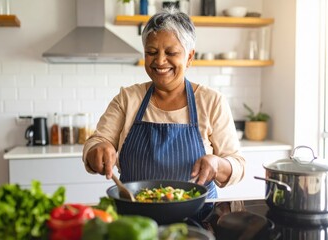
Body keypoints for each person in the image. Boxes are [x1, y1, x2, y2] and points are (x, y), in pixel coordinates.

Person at [82, 7, 245, 223]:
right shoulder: (127, 99)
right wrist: (98, 151)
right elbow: (97, 142)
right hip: (134, 222)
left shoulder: (211, 101)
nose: (159, 61)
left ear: (189, 57)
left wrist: (217, 165)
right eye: (151, 52)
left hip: (197, 221)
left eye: (171, 53)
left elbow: (237, 164)